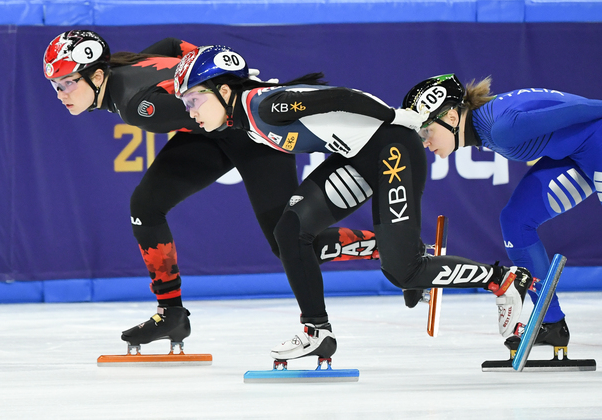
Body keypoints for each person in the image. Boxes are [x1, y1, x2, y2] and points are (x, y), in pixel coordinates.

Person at [174, 45, 534, 363]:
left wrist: (395, 117)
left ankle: (502, 281)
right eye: (186, 104)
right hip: (357, 157)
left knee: (403, 271)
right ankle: (318, 332)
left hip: (392, 150)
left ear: (224, 91)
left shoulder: (266, 105)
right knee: (291, 234)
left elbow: (340, 97)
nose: (190, 112)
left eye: (194, 100)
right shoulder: (248, 119)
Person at [42, 30, 380, 352]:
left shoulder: (139, 105)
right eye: (55, 85)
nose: (61, 94)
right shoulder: (127, 65)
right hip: (210, 132)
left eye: (68, 83)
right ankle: (171, 314)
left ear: (97, 76)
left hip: (250, 132)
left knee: (288, 243)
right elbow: (174, 46)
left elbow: (220, 107)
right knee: (145, 206)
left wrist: (236, 86)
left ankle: (391, 246)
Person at [401, 73, 600, 351]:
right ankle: (551, 323)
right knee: (516, 222)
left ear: (452, 118)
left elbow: (582, 109)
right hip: (575, 154)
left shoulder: (501, 129)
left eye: (426, 131)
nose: (424, 142)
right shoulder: (486, 126)